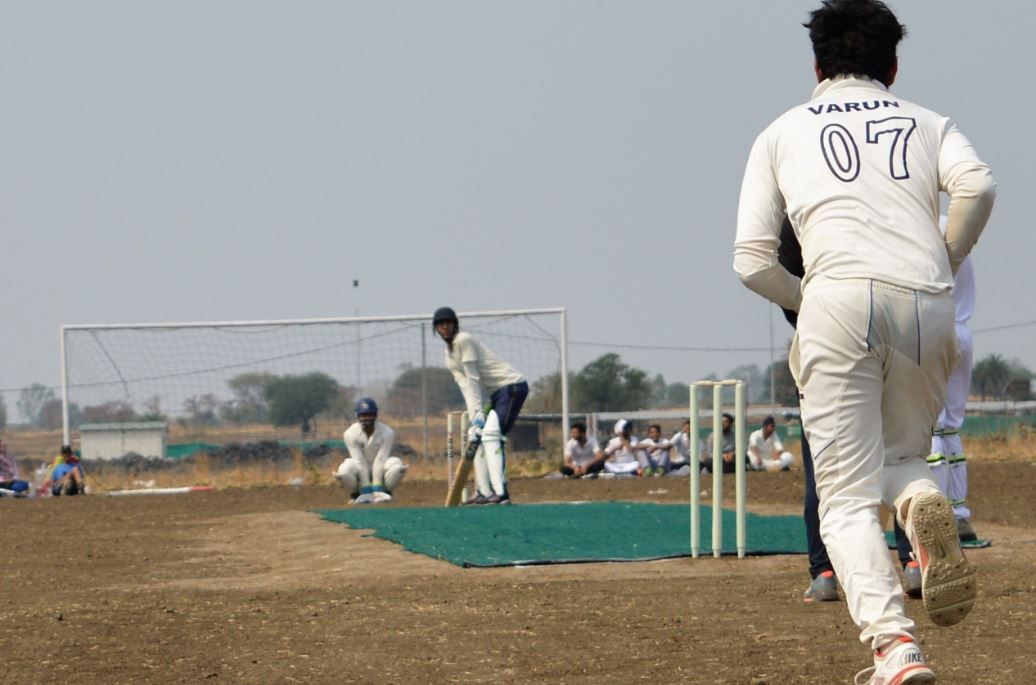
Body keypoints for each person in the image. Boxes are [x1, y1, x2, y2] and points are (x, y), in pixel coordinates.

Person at [733, 1, 995, 681]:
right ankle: (919, 502)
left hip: (837, 299)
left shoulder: (780, 132)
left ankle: (893, 644)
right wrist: (947, 257)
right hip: (926, 298)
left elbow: (752, 259)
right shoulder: (929, 121)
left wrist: (811, 299)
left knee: (845, 498)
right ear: (894, 65)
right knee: (904, 455)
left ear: (816, 65)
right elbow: (978, 185)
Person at [433, 306, 528, 505]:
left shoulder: (463, 340)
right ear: (436, 329)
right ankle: (483, 491)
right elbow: (465, 385)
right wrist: (474, 415)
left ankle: (501, 493)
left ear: (455, 324)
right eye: (441, 325)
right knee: (473, 435)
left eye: (448, 323)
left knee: (491, 433)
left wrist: (477, 414)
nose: (445, 328)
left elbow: (474, 378)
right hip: (496, 395)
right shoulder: (448, 357)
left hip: (512, 387)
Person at [929, 217, 979, 542]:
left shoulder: (921, 225)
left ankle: (938, 516)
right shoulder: (955, 224)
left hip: (935, 329)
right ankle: (959, 513)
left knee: (931, 425)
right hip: (963, 330)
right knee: (950, 427)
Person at [334, 397, 407, 504]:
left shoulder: (387, 432)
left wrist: (377, 487)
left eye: (370, 414)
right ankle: (356, 494)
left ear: (376, 415)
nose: (367, 418)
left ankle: (385, 493)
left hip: (381, 467)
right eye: (364, 415)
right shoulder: (350, 433)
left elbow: (381, 458)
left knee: (397, 465)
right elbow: (359, 461)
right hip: (359, 468)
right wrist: (366, 489)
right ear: (357, 415)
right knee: (343, 470)